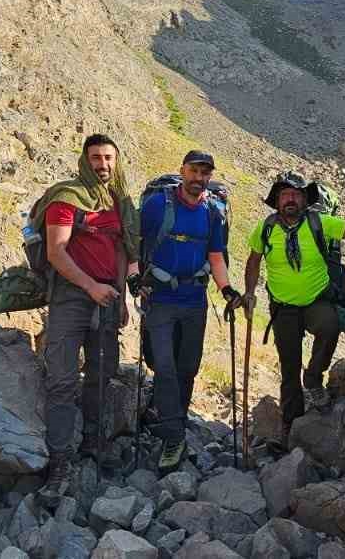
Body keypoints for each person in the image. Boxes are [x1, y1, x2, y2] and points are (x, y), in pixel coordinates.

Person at [34, 133, 140, 506]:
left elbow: (124, 251)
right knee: (62, 379)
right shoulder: (66, 198)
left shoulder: (119, 201)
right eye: (96, 157)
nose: (103, 164)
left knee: (101, 374)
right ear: (85, 159)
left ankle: (96, 444)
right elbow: (57, 251)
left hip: (109, 298)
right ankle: (60, 461)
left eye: (109, 157)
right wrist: (90, 285)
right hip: (71, 298)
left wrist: (121, 298)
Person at [134, 150, 241, 473]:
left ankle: (173, 420)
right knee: (163, 365)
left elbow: (216, 255)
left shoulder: (213, 212)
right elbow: (133, 241)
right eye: (194, 171)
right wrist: (132, 277)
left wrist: (226, 289)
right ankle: (173, 437)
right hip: (160, 297)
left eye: (205, 173)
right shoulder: (157, 205)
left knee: (187, 367)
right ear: (182, 171)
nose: (199, 178)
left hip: (195, 300)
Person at [241, 171, 345, 439]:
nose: (291, 200)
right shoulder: (266, 228)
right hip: (283, 306)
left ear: (304, 201)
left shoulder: (318, 222)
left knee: (329, 326)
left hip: (315, 299)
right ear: (276, 200)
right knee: (289, 365)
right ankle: (291, 422)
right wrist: (249, 292)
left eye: (296, 195)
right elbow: (253, 261)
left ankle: (313, 377)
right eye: (285, 195)